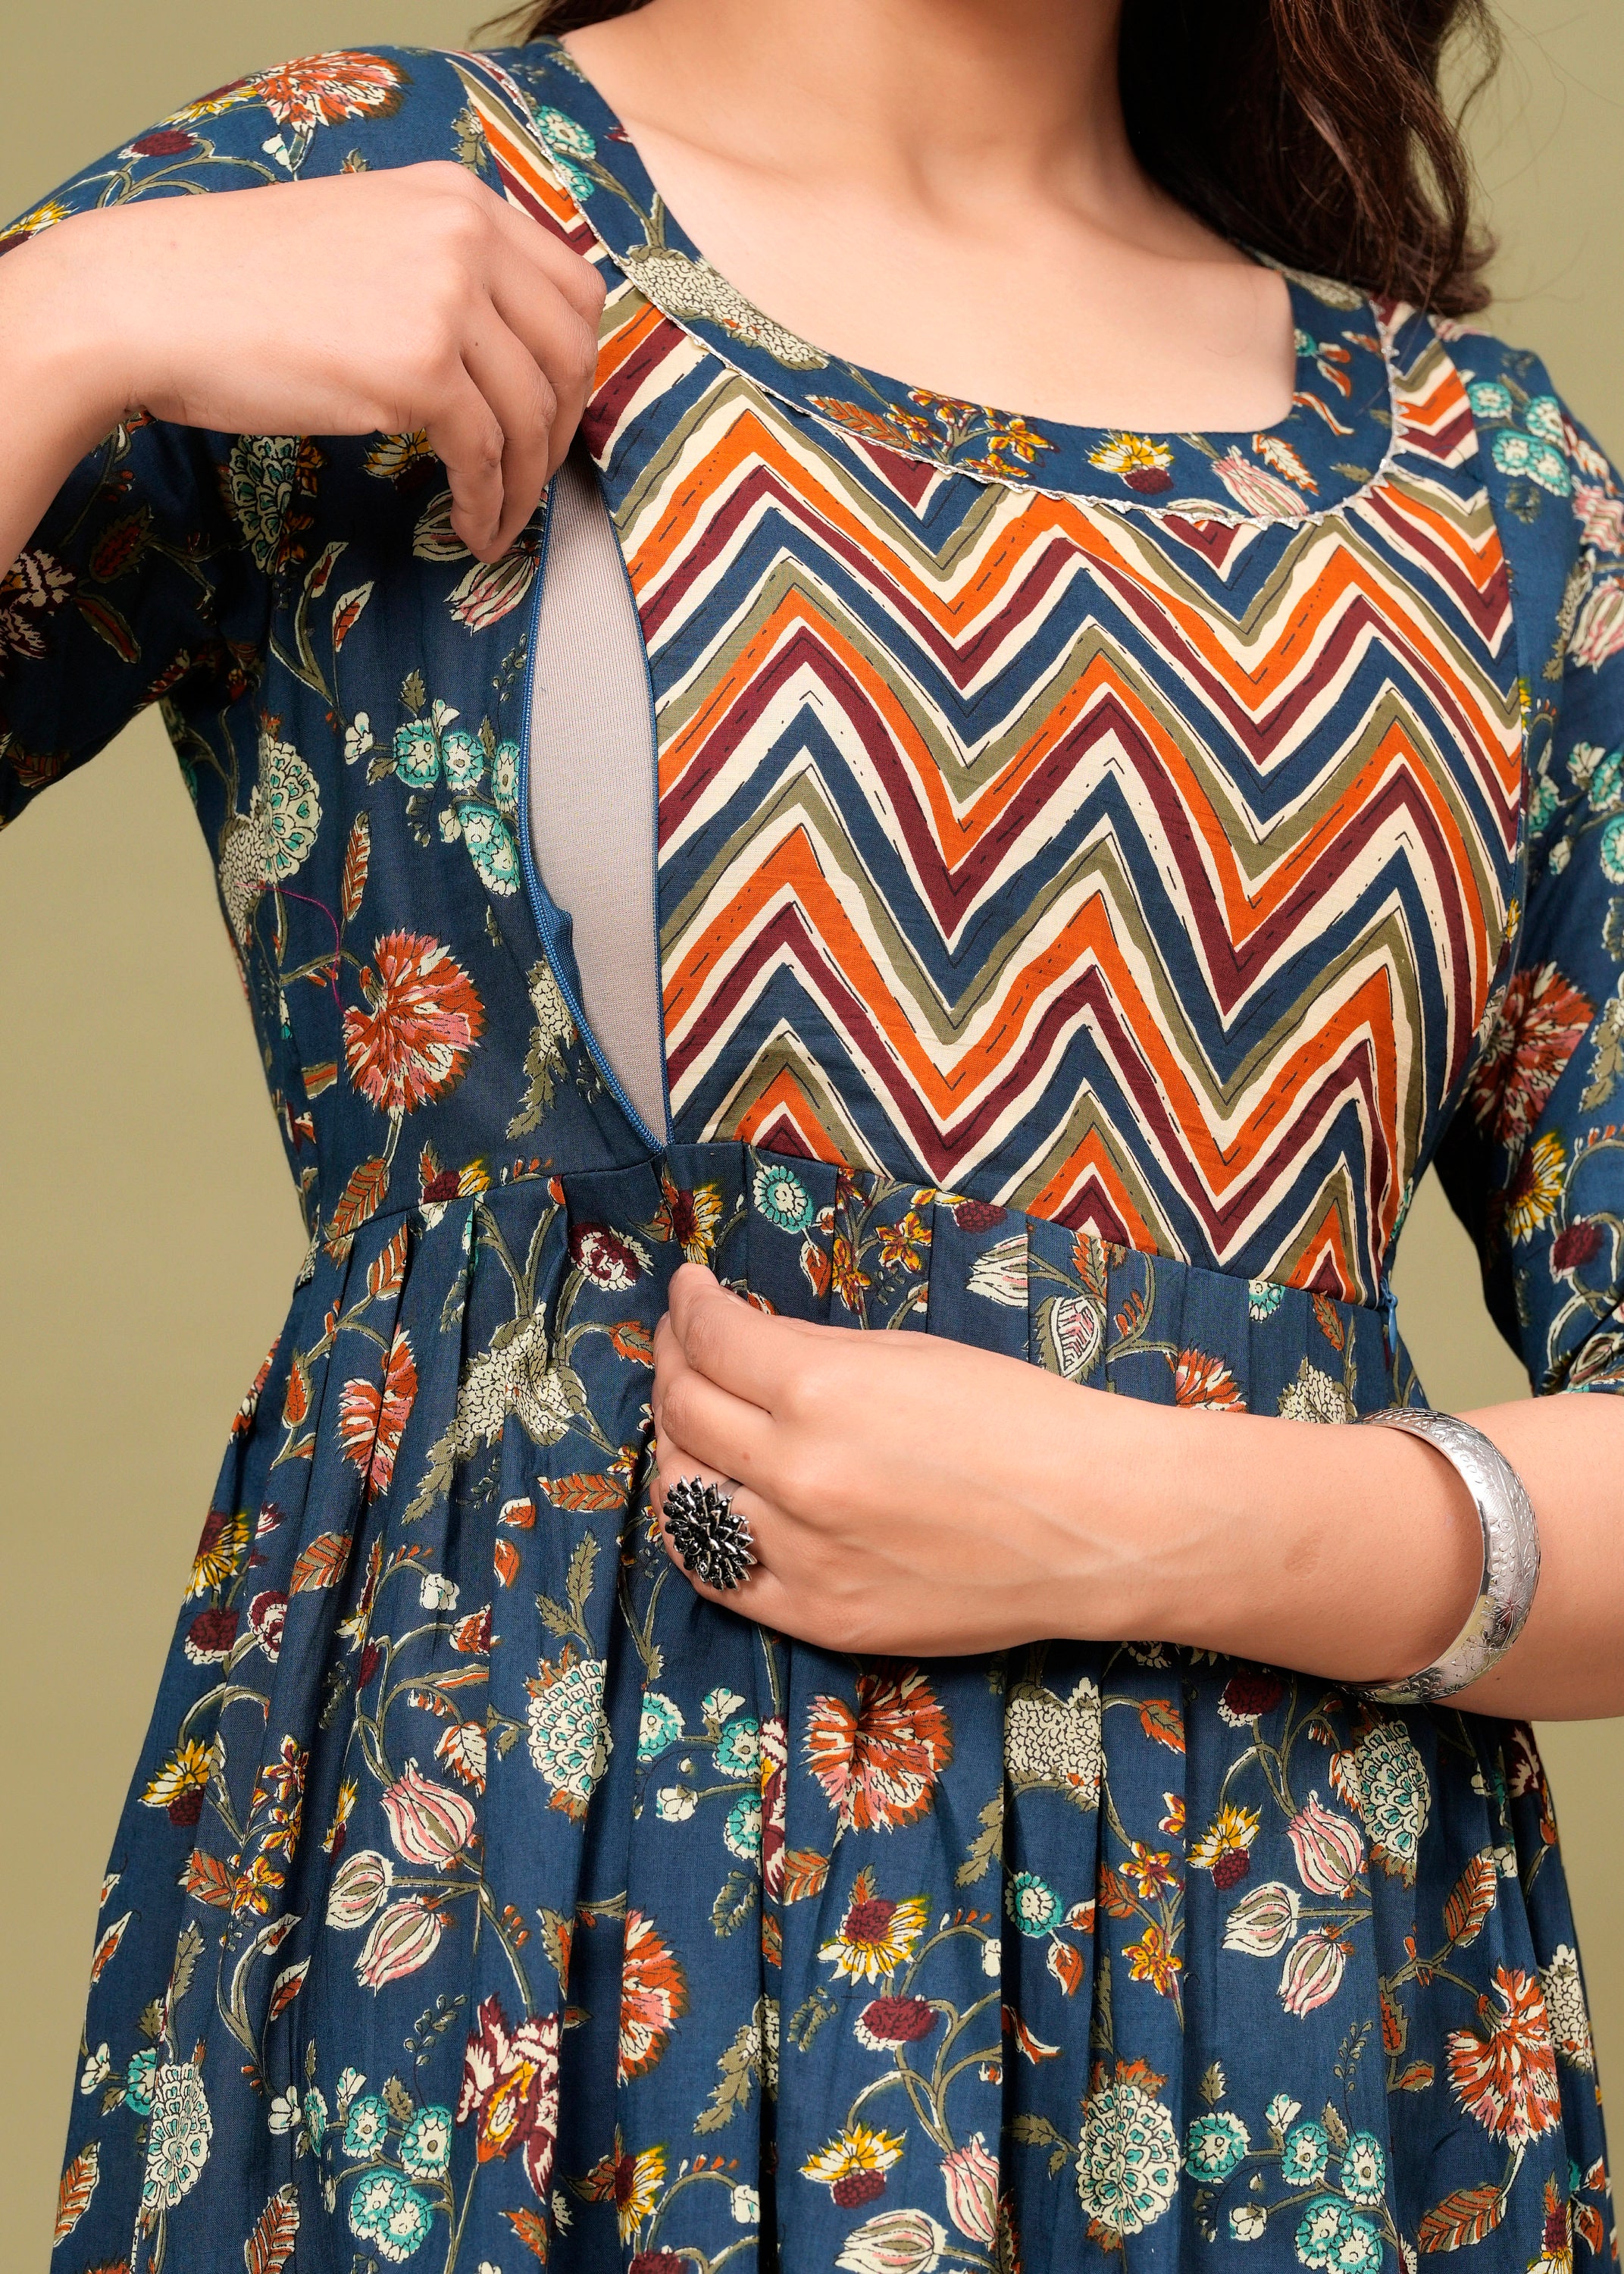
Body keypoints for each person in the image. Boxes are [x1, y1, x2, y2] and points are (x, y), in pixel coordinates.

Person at [1, 0, 1619, 2266]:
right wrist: (63, 322)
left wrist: (1162, 1519)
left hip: (1275, 2050)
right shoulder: (394, 196)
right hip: (507, 1985)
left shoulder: (1489, 489)